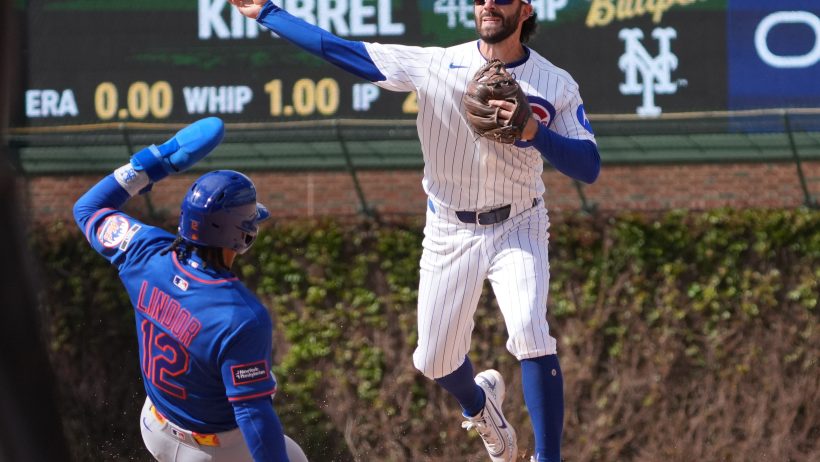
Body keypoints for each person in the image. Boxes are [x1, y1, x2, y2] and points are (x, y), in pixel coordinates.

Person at [230, 1, 601, 461]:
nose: (488, 4)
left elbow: (588, 167)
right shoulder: (436, 65)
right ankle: (481, 407)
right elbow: (342, 51)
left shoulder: (555, 82)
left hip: (519, 220)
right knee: (434, 360)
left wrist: (533, 131)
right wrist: (267, 13)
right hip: (450, 226)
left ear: (524, 9)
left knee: (529, 330)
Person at [72, 117, 308, 462]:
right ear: (243, 238)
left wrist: (152, 164)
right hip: (213, 451)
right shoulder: (241, 316)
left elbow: (88, 208)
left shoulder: (144, 250)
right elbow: (253, 416)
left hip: (154, 424)